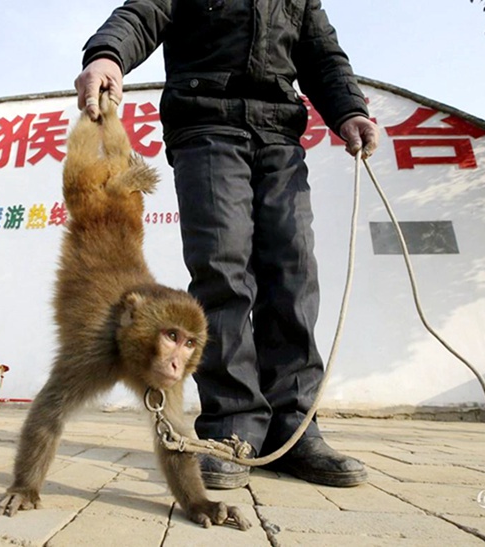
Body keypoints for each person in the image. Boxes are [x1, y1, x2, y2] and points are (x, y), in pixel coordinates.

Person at [74, 0, 379, 489]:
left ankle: (295, 429)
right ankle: (232, 425)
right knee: (223, 269)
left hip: (280, 133)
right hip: (206, 125)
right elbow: (142, 14)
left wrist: (349, 110)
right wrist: (107, 55)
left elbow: (322, 55)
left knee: (294, 273)